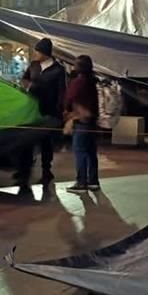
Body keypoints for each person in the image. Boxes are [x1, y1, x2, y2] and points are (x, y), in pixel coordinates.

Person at [16, 38, 66, 191]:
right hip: (31, 110)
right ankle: (24, 171)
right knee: (27, 141)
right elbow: (24, 80)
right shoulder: (33, 66)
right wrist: (28, 86)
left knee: (45, 143)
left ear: (44, 52)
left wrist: (59, 111)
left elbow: (61, 91)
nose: (35, 53)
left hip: (48, 111)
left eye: (38, 51)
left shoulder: (58, 70)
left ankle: (46, 171)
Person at [64, 55, 100, 193]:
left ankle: (81, 182)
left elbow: (69, 99)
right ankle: (93, 181)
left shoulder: (78, 82)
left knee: (80, 152)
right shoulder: (92, 81)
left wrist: (67, 113)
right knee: (91, 152)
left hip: (80, 120)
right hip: (92, 121)